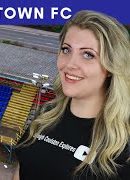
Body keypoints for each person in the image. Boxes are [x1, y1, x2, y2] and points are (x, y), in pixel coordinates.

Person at [13, 10, 130, 180]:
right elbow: (22, 167)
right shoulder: (46, 114)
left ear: (112, 66)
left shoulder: (123, 145)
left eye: (88, 54)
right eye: (66, 50)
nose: (69, 64)